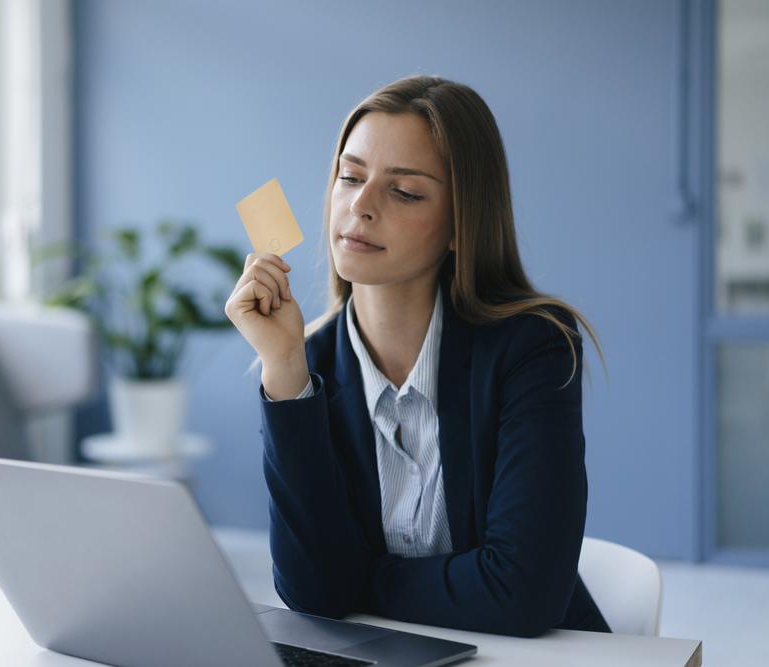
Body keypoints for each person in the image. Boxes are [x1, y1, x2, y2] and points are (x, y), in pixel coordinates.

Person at [225, 75, 611, 638]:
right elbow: (311, 591)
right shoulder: (307, 364)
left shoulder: (535, 347)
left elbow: (523, 594)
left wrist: (359, 580)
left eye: (404, 191)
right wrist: (284, 369)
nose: (360, 205)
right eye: (350, 176)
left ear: (461, 224)